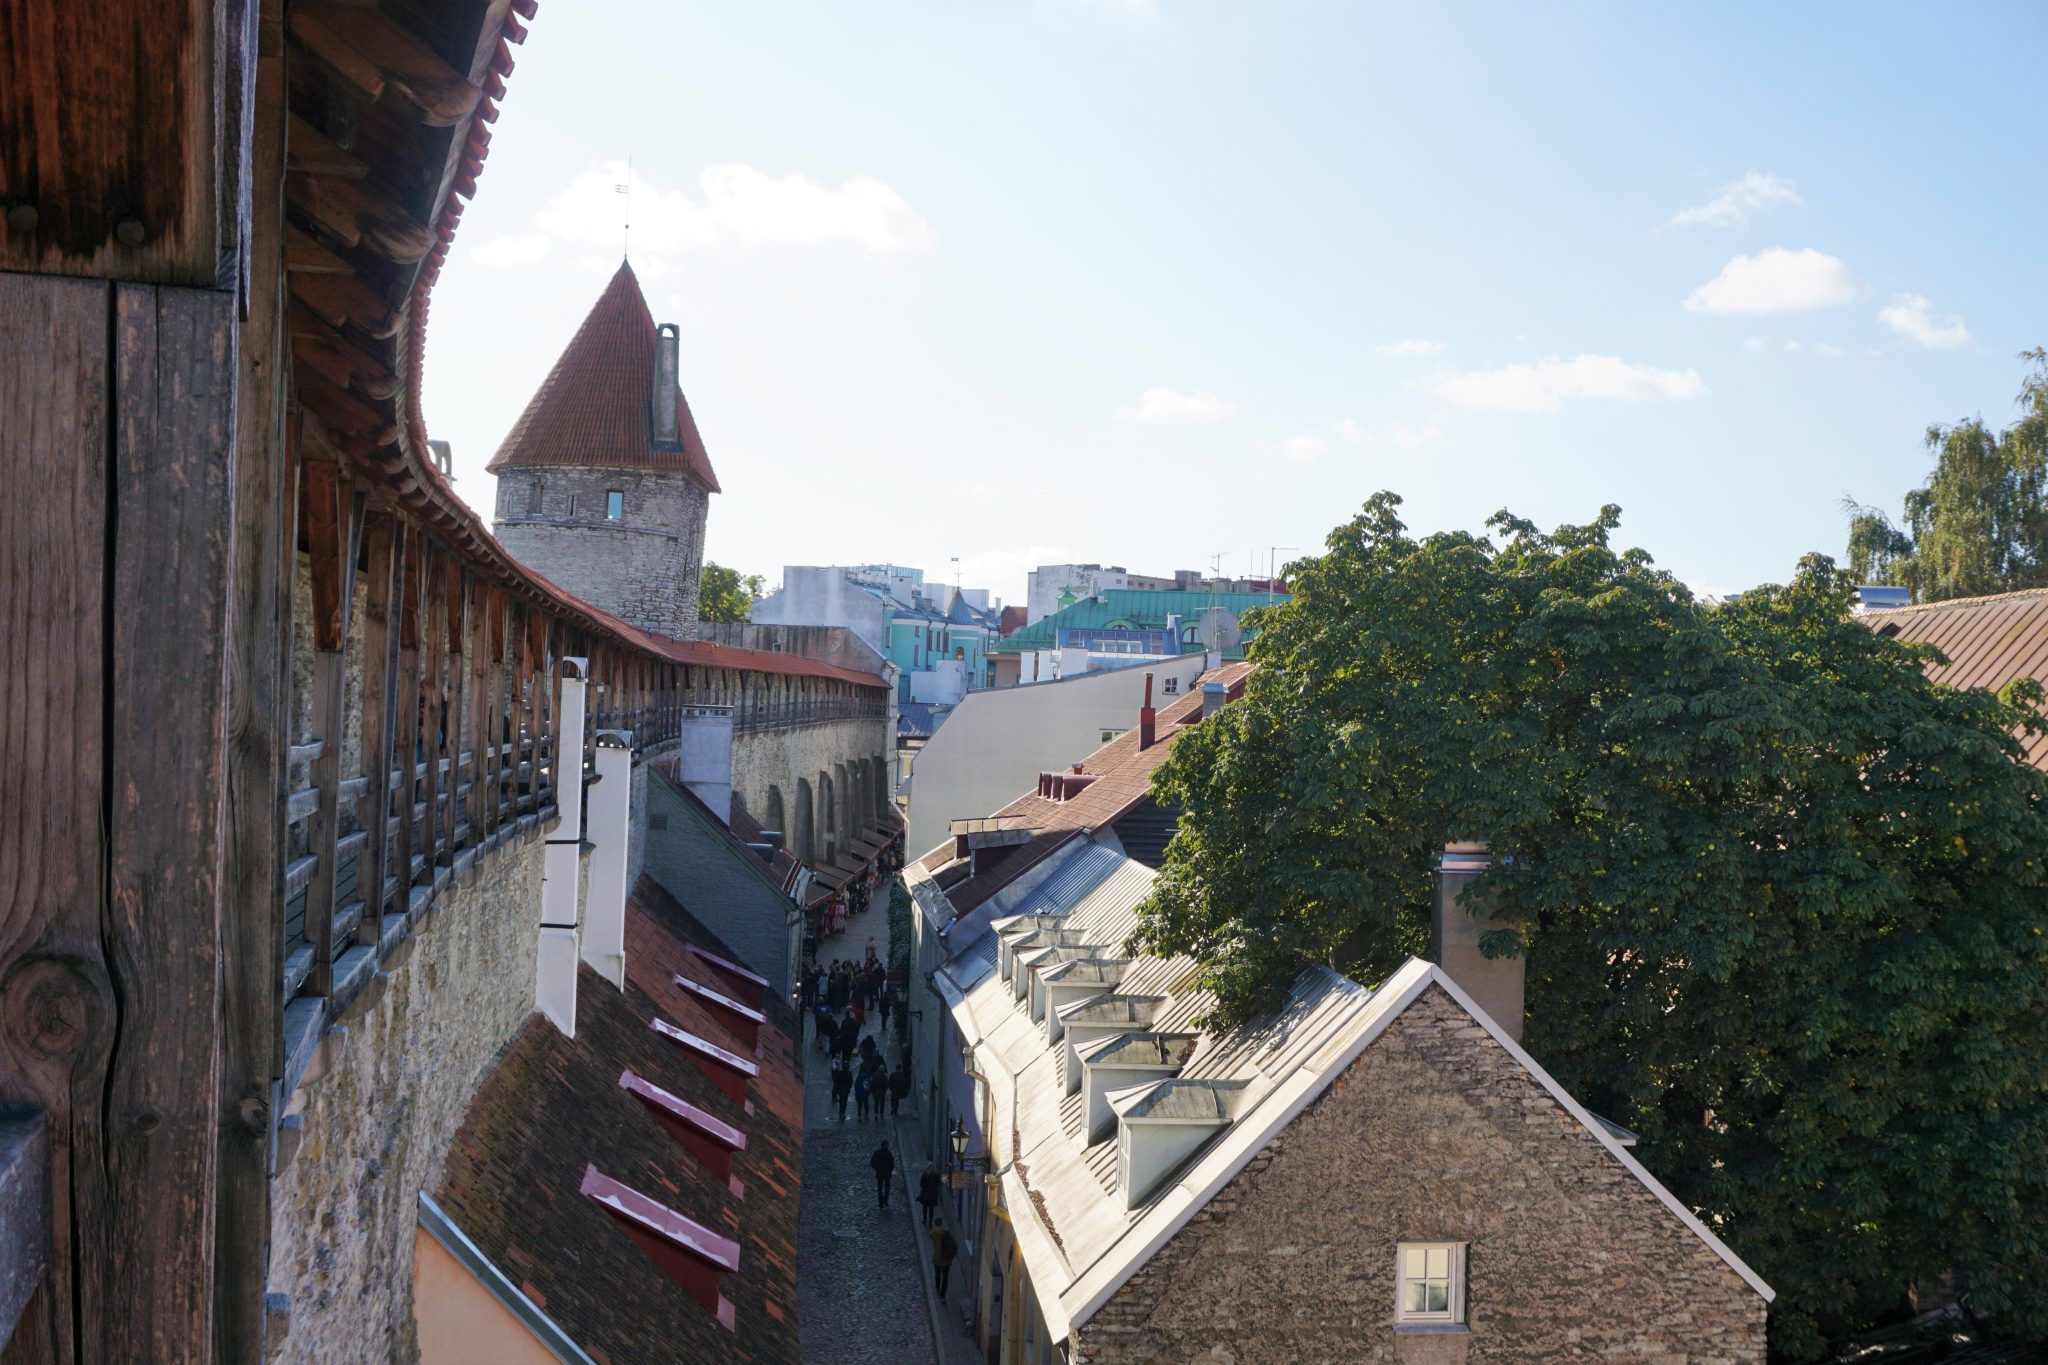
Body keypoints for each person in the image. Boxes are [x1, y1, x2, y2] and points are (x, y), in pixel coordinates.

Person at [931, 1217, 958, 1296]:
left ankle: (937, 1287)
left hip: (937, 1258)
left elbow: (930, 1236)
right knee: (945, 1277)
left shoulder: (933, 1233)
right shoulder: (947, 1232)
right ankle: (942, 1296)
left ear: (935, 1223)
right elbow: (955, 1243)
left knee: (937, 1273)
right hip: (946, 1258)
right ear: (942, 1223)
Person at [870, 1138, 894, 1211]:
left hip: (879, 1173)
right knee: (886, 1188)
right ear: (886, 1145)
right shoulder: (888, 1154)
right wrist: (889, 1170)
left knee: (880, 1188)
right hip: (887, 1174)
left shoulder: (877, 1153)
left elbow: (872, 1163)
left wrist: (877, 1168)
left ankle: (880, 1202)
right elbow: (892, 1164)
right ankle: (885, 1200)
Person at [917, 1162, 941, 1227]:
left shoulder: (925, 1174)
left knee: (925, 1207)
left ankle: (924, 1220)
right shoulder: (936, 1175)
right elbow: (938, 1182)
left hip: (925, 1193)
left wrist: (925, 1187)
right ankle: (930, 1222)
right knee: (931, 1208)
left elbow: (921, 1184)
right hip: (933, 1193)